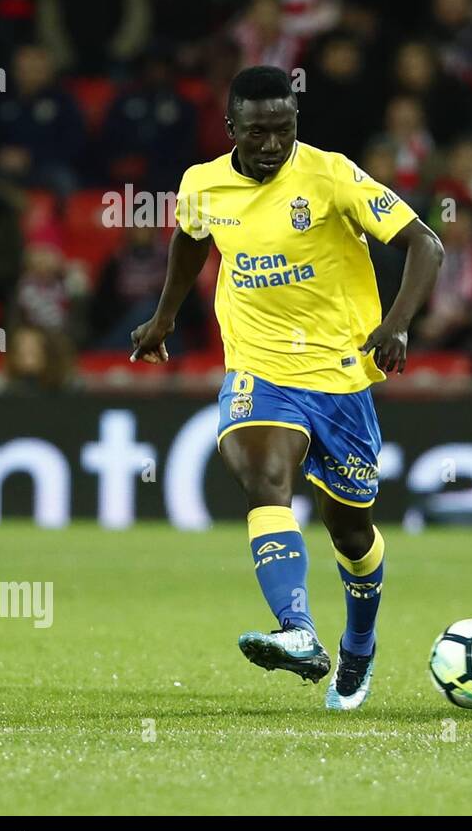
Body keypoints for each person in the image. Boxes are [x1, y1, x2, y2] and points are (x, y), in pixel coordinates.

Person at [129, 66, 443, 710]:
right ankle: (298, 630)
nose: (273, 144)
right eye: (258, 132)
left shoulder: (330, 175)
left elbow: (426, 245)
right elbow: (190, 243)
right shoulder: (202, 184)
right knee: (261, 474)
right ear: (231, 129)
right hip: (260, 368)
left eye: (283, 129)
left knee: (351, 534)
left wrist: (397, 325)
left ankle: (359, 645)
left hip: (341, 375)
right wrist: (165, 316)